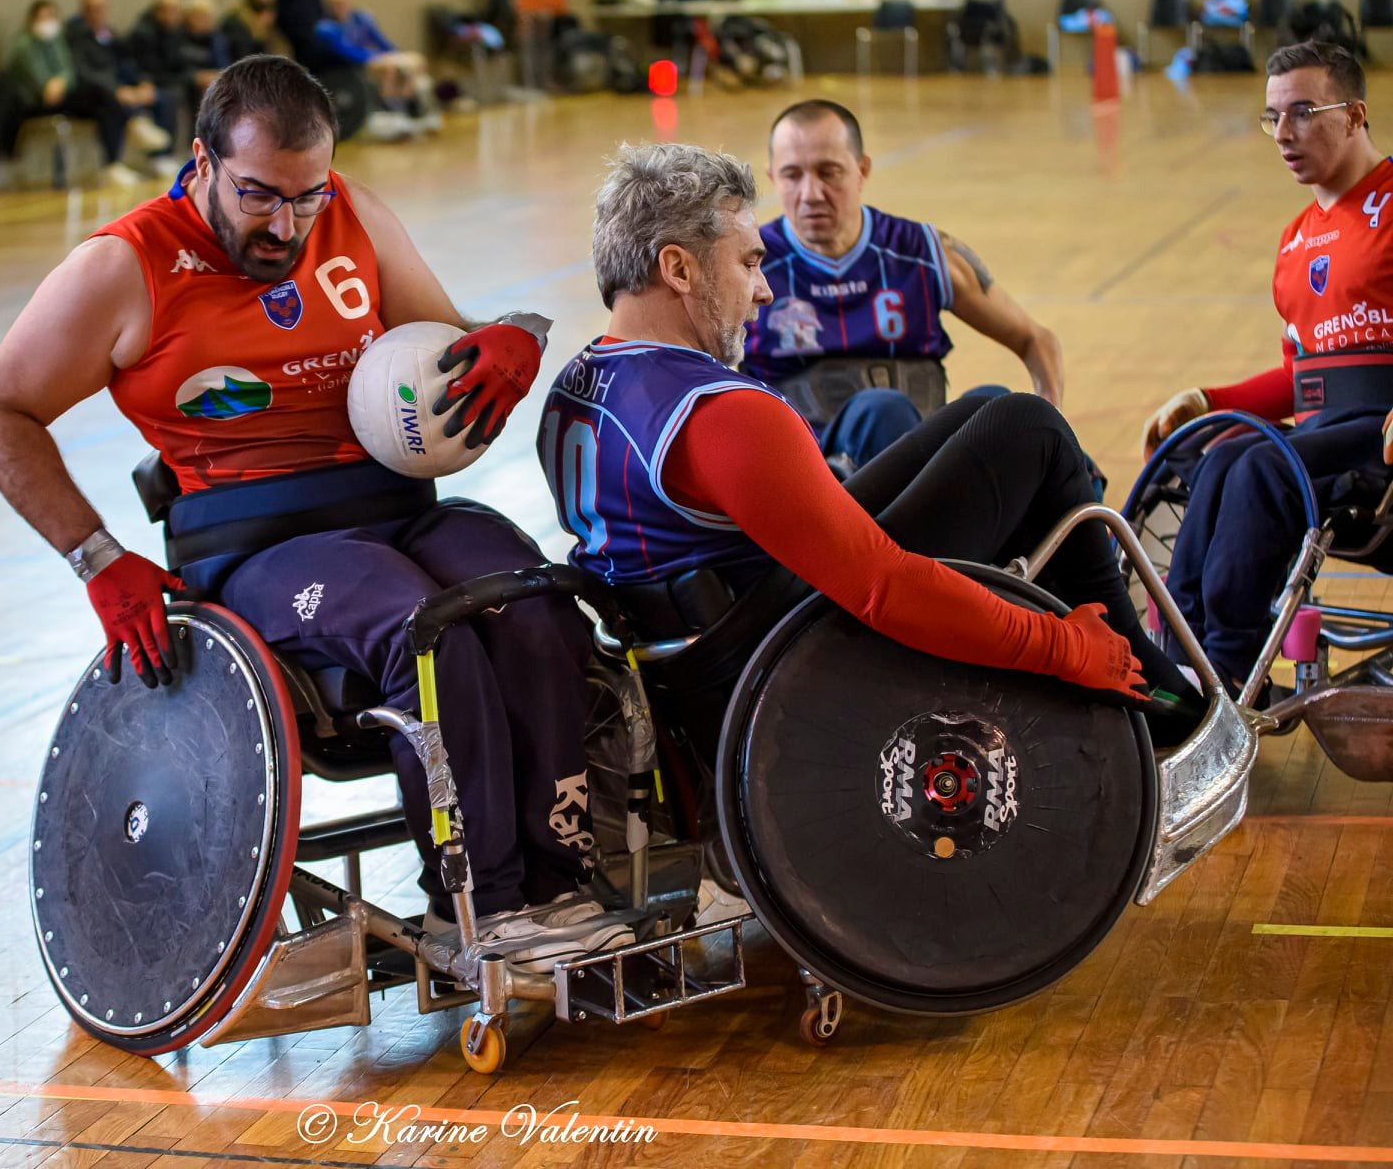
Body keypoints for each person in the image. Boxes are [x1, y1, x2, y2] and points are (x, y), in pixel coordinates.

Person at [0, 55, 629, 970]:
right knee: (422, 628)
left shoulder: (353, 215)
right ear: (201, 160)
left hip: (398, 504)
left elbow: (446, 346)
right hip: (257, 546)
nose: (286, 224)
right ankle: (479, 909)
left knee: (534, 599)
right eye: (257, 196)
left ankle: (561, 882)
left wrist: (508, 340)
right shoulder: (125, 266)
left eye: (305, 197)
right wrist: (96, 557)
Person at [540, 142, 1204, 747]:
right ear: (679, 269)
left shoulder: (573, 385)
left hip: (699, 650)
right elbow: (884, 589)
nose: (765, 289)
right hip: (781, 670)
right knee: (1030, 430)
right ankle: (1139, 677)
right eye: (748, 263)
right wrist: (1059, 647)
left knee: (987, 409)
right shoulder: (722, 414)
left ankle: (1132, 657)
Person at [1140, 42, 1393, 699]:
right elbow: (1299, 374)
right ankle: (1181, 650)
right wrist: (1207, 400)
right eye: (1273, 116)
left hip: (1379, 430)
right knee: (1219, 452)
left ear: (1356, 113)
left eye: (1304, 112)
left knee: (1259, 467)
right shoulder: (1296, 238)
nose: (1283, 133)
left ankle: (1229, 663)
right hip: (1327, 426)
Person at [745, 100, 1066, 469]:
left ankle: (1091, 524)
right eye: (792, 175)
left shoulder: (923, 253)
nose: (811, 193)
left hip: (925, 452)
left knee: (1000, 407)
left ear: (862, 169)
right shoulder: (749, 263)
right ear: (772, 177)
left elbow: (1035, 339)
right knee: (881, 409)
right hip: (815, 468)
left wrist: (1053, 417)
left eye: (828, 172)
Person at [5, 0, 145, 188]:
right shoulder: (23, 46)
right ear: (31, 19)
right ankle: (134, 121)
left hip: (63, 94)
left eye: (51, 16)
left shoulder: (58, 41)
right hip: (38, 101)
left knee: (104, 107)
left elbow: (69, 71)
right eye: (42, 17)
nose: (47, 22)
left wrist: (61, 82)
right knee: (100, 92)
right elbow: (39, 81)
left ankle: (112, 165)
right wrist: (52, 84)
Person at [314, 0, 441, 134]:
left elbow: (381, 41)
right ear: (329, 5)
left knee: (415, 60)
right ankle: (392, 109)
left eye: (344, 2)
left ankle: (412, 104)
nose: (342, 7)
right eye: (336, 4)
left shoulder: (361, 18)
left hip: (374, 58)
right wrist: (377, 57)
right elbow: (347, 51)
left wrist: (396, 54)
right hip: (352, 64)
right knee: (390, 69)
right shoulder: (326, 27)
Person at [66, 0, 172, 167]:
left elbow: (127, 63)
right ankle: (113, 163)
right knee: (110, 103)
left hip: (120, 88)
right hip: (91, 94)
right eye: (94, 9)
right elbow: (85, 73)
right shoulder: (75, 37)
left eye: (102, 9)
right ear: (84, 12)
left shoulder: (111, 35)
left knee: (164, 97)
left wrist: (142, 82)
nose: (99, 13)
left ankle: (160, 157)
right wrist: (116, 90)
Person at [221, 0, 289, 63]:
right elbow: (244, 61)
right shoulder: (235, 25)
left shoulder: (271, 30)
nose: (266, 12)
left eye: (272, 5)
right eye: (260, 6)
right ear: (247, 5)